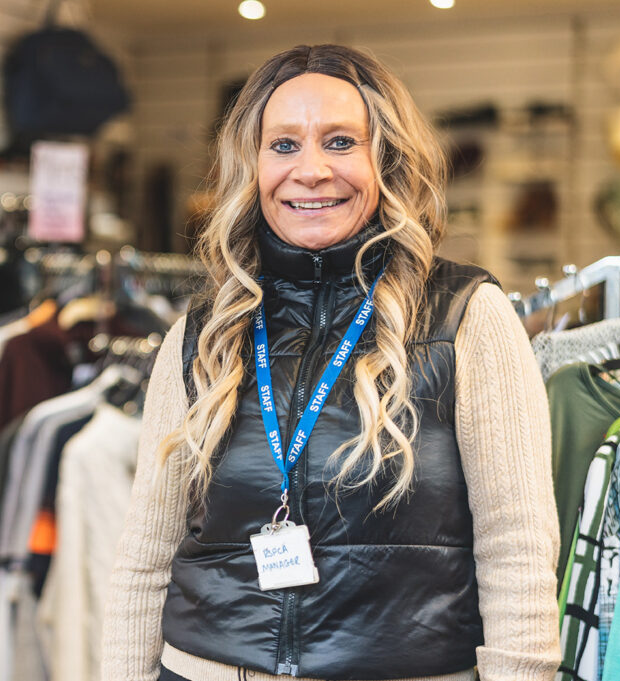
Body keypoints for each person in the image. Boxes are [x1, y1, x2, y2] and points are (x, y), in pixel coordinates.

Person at [101, 44, 560, 681]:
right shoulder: (202, 334)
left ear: (387, 159)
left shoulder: (465, 317)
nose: (311, 170)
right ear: (252, 166)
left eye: (341, 142)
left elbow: (518, 551)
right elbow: (145, 561)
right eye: (283, 145)